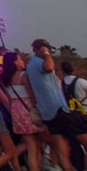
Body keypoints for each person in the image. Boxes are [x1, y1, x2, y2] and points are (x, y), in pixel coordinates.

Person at [26, 38, 87, 171]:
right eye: (44, 48)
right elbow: (49, 68)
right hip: (57, 108)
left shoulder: (29, 67)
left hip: (47, 113)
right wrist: (46, 54)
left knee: (61, 146)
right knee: (82, 137)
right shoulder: (39, 62)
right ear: (36, 49)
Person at [0, 51, 49, 171]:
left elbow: (9, 99)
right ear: (15, 62)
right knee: (38, 145)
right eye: (20, 59)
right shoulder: (23, 75)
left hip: (17, 111)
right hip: (29, 110)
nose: (22, 61)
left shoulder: (4, 79)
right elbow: (32, 94)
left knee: (31, 146)